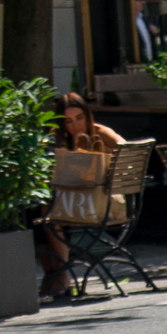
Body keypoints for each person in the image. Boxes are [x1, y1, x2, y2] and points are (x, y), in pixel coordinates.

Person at [37, 91, 124, 299]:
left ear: (87, 116)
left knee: (48, 212)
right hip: (71, 203)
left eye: (79, 118)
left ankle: (60, 276)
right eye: (68, 121)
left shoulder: (100, 133)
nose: (76, 125)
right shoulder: (55, 140)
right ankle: (54, 274)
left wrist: (104, 161)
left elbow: (127, 149)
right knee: (36, 212)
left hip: (100, 203)